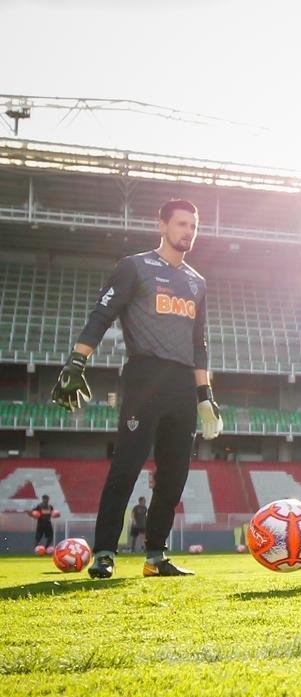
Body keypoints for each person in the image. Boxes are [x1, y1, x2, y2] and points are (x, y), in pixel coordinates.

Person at [50, 199, 223, 579]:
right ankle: (105, 553)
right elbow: (102, 315)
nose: (188, 232)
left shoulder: (197, 282)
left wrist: (205, 396)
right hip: (144, 377)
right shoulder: (135, 267)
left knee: (175, 474)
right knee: (126, 467)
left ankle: (156, 557)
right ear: (162, 225)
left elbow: (200, 344)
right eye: (181, 224)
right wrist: (76, 361)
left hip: (181, 386)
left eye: (193, 226)